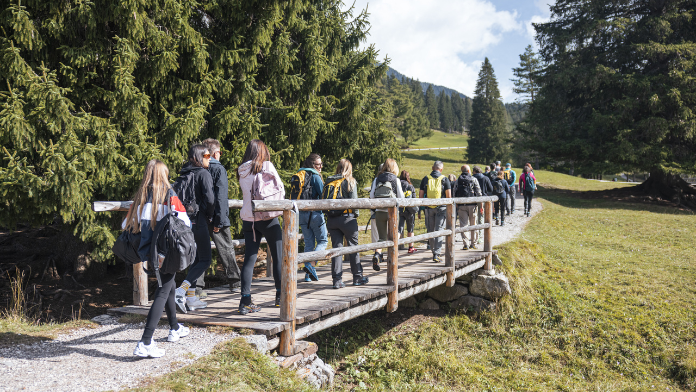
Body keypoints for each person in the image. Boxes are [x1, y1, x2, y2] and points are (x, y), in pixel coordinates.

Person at [124, 160, 191, 358]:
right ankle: (146, 341)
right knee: (163, 290)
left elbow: (124, 225)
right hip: (167, 251)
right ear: (164, 175)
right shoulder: (170, 195)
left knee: (169, 286)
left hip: (149, 252)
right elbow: (185, 222)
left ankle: (174, 327)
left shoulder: (140, 197)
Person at [237, 139, 284, 314]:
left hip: (249, 218)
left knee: (249, 258)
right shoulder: (266, 166)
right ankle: (280, 296)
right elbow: (280, 188)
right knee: (278, 256)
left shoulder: (242, 170)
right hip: (267, 217)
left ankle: (245, 301)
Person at [194, 138, 241, 298]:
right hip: (215, 217)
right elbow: (221, 197)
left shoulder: (196, 167)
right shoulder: (218, 169)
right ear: (216, 153)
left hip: (199, 216)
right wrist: (220, 220)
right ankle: (235, 283)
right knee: (227, 249)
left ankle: (197, 287)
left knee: (200, 251)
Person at [174, 144, 214, 312]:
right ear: (198, 157)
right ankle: (181, 291)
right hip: (199, 220)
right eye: (206, 156)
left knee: (196, 259)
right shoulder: (203, 173)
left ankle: (191, 299)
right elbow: (210, 199)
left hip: (185, 222)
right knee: (205, 259)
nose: (209, 158)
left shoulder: (184, 174)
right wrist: (209, 215)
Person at [324, 159, 369, 288]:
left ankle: (337, 280)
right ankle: (357, 277)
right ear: (349, 168)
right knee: (353, 248)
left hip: (332, 219)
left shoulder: (329, 181)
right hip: (347, 218)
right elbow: (354, 202)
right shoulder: (350, 181)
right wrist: (356, 215)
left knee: (336, 249)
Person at [294, 153, 328, 282]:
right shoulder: (315, 176)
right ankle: (310, 264)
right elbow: (323, 195)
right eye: (318, 164)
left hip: (301, 214)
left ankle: (308, 275)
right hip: (314, 214)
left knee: (309, 243)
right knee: (323, 241)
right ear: (311, 164)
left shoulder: (299, 174)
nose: (320, 167)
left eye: (321, 164)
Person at [370, 158, 404, 270]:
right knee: (394, 237)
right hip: (392, 213)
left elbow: (371, 197)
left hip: (380, 212)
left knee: (382, 237)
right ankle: (394, 262)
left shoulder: (377, 179)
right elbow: (401, 197)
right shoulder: (396, 179)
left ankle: (377, 254)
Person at [419, 161, 451, 262]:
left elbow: (420, 195)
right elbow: (449, 197)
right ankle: (437, 254)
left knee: (430, 231)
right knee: (439, 230)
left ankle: (433, 252)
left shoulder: (425, 178)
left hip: (429, 208)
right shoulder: (445, 179)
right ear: (441, 169)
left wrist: (421, 208)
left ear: (433, 168)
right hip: (441, 208)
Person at [454, 165, 482, 249]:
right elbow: (478, 192)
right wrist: (480, 205)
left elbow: (454, 192)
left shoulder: (458, 180)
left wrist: (457, 204)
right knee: (474, 224)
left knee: (463, 224)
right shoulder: (473, 179)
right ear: (469, 171)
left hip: (462, 205)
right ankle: (473, 243)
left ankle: (465, 243)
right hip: (472, 205)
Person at [472, 166, 493, 244]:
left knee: (473, 218)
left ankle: (473, 236)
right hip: (483, 199)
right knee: (481, 218)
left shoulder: (471, 178)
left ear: (474, 171)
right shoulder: (485, 178)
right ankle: (479, 237)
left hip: (472, 200)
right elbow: (491, 189)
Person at [398, 170, 418, 254]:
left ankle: (395, 246)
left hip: (400, 210)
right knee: (410, 229)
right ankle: (411, 247)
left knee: (399, 229)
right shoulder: (410, 186)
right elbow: (414, 199)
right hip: (409, 211)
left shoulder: (398, 185)